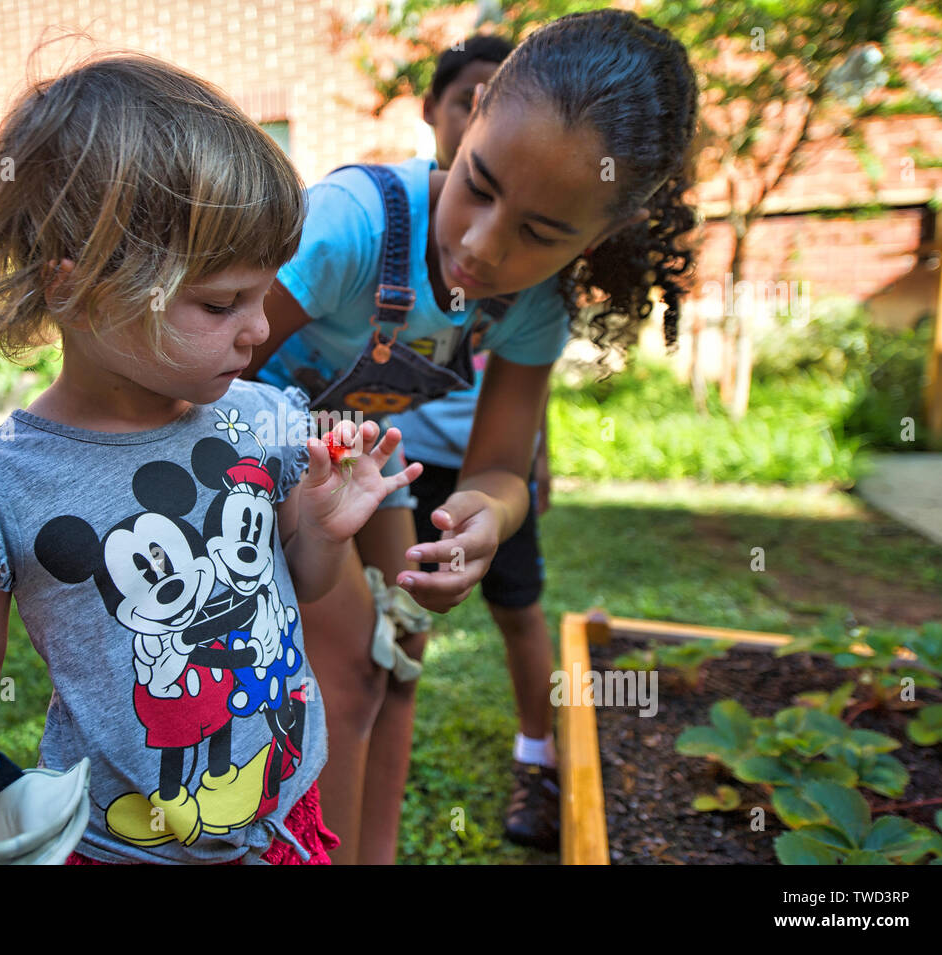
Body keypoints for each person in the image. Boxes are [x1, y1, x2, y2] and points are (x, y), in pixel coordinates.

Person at [0, 51, 422, 865]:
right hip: (120, 846)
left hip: (282, 813)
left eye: (264, 290)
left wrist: (320, 532)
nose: (260, 328)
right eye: (221, 302)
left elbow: (304, 586)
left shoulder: (260, 422)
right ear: (79, 289)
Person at [245, 10, 699, 863]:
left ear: (595, 238)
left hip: (352, 461)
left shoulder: (534, 307)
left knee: (396, 658)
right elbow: (210, 370)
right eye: (480, 186)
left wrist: (485, 516)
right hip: (238, 454)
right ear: (477, 109)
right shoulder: (350, 224)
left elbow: (498, 464)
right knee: (345, 668)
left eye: (540, 233)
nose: (481, 248)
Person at [389, 35, 560, 850]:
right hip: (410, 455)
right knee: (406, 608)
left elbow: (528, 386)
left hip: (489, 465)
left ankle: (541, 753)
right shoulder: (393, 226)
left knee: (519, 609)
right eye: (466, 100)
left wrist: (533, 465)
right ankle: (387, 739)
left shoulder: (530, 274)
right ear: (440, 112)